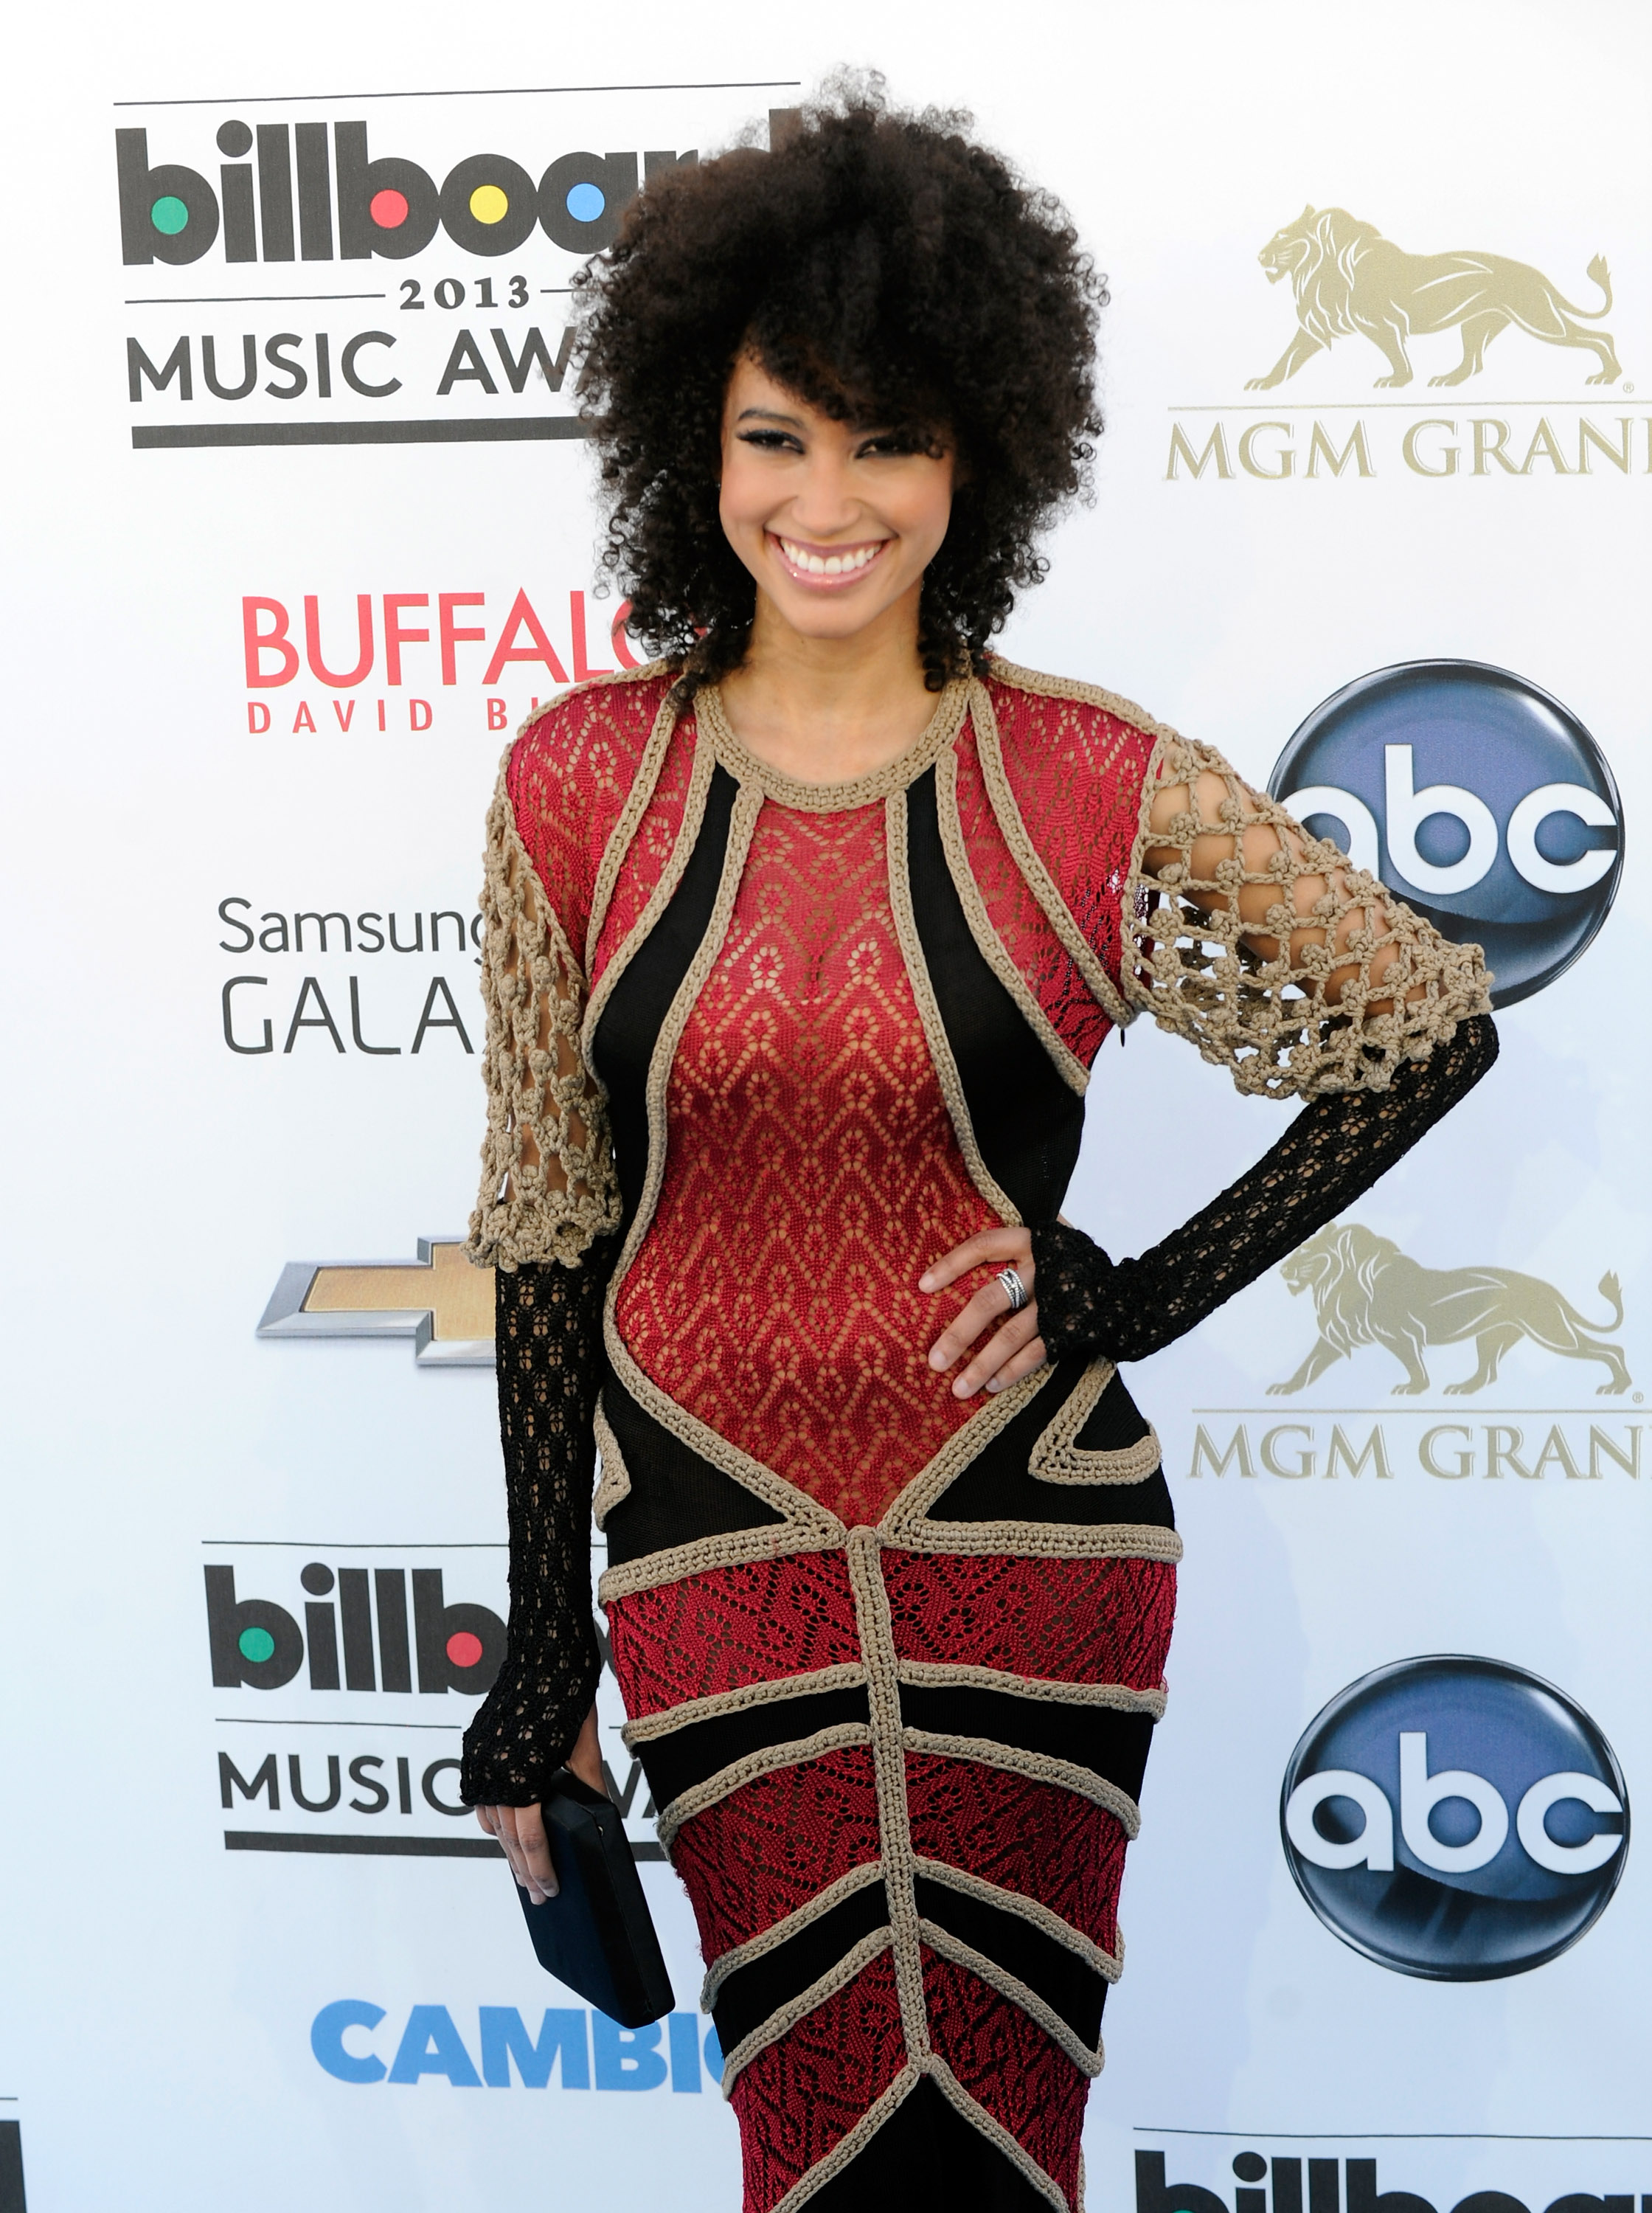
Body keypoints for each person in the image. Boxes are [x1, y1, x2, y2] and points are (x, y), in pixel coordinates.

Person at [459, 86, 1495, 2213]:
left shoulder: (1094, 781)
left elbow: (1422, 1027)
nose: (827, 501)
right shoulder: (575, 784)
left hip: (1031, 1546)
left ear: (977, 459)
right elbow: (552, 1230)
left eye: (890, 441)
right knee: (807, 2131)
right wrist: (543, 1637)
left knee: (1008, 2137)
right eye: (775, 437)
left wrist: (1140, 1290)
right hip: (708, 1548)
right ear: (692, 444)